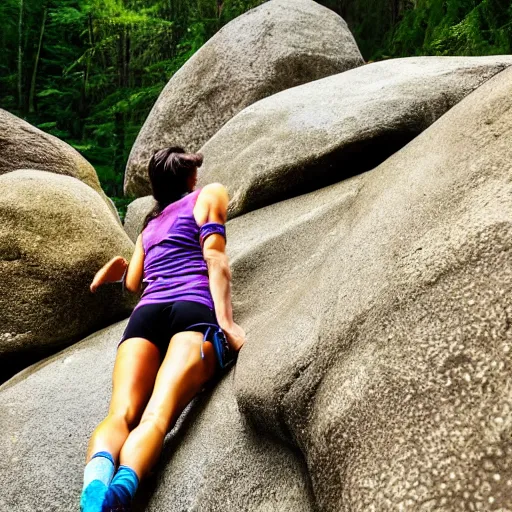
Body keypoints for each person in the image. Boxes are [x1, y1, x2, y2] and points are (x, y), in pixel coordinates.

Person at [80, 147, 246, 512]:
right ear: (190, 178)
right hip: (191, 308)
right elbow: (214, 257)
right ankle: (121, 494)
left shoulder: (149, 225)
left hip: (146, 315)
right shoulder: (209, 195)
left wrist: (118, 269)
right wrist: (229, 325)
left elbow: (133, 282)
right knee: (158, 413)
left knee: (120, 413)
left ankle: (94, 486)